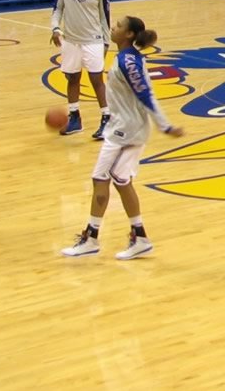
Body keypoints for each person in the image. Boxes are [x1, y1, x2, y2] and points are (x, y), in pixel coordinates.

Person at [62, 16, 184, 259]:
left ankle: (93, 238)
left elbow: (146, 95)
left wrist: (165, 125)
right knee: (119, 179)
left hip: (126, 130)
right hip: (123, 127)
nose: (112, 28)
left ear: (129, 35)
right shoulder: (124, 58)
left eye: (118, 26)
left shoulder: (129, 62)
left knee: (101, 178)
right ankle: (137, 236)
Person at [51, 0, 112, 139]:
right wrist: (55, 28)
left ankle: (107, 118)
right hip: (70, 41)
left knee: (96, 79)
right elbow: (57, 9)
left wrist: (106, 41)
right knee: (72, 78)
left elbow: (105, 17)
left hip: (93, 40)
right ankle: (75, 118)